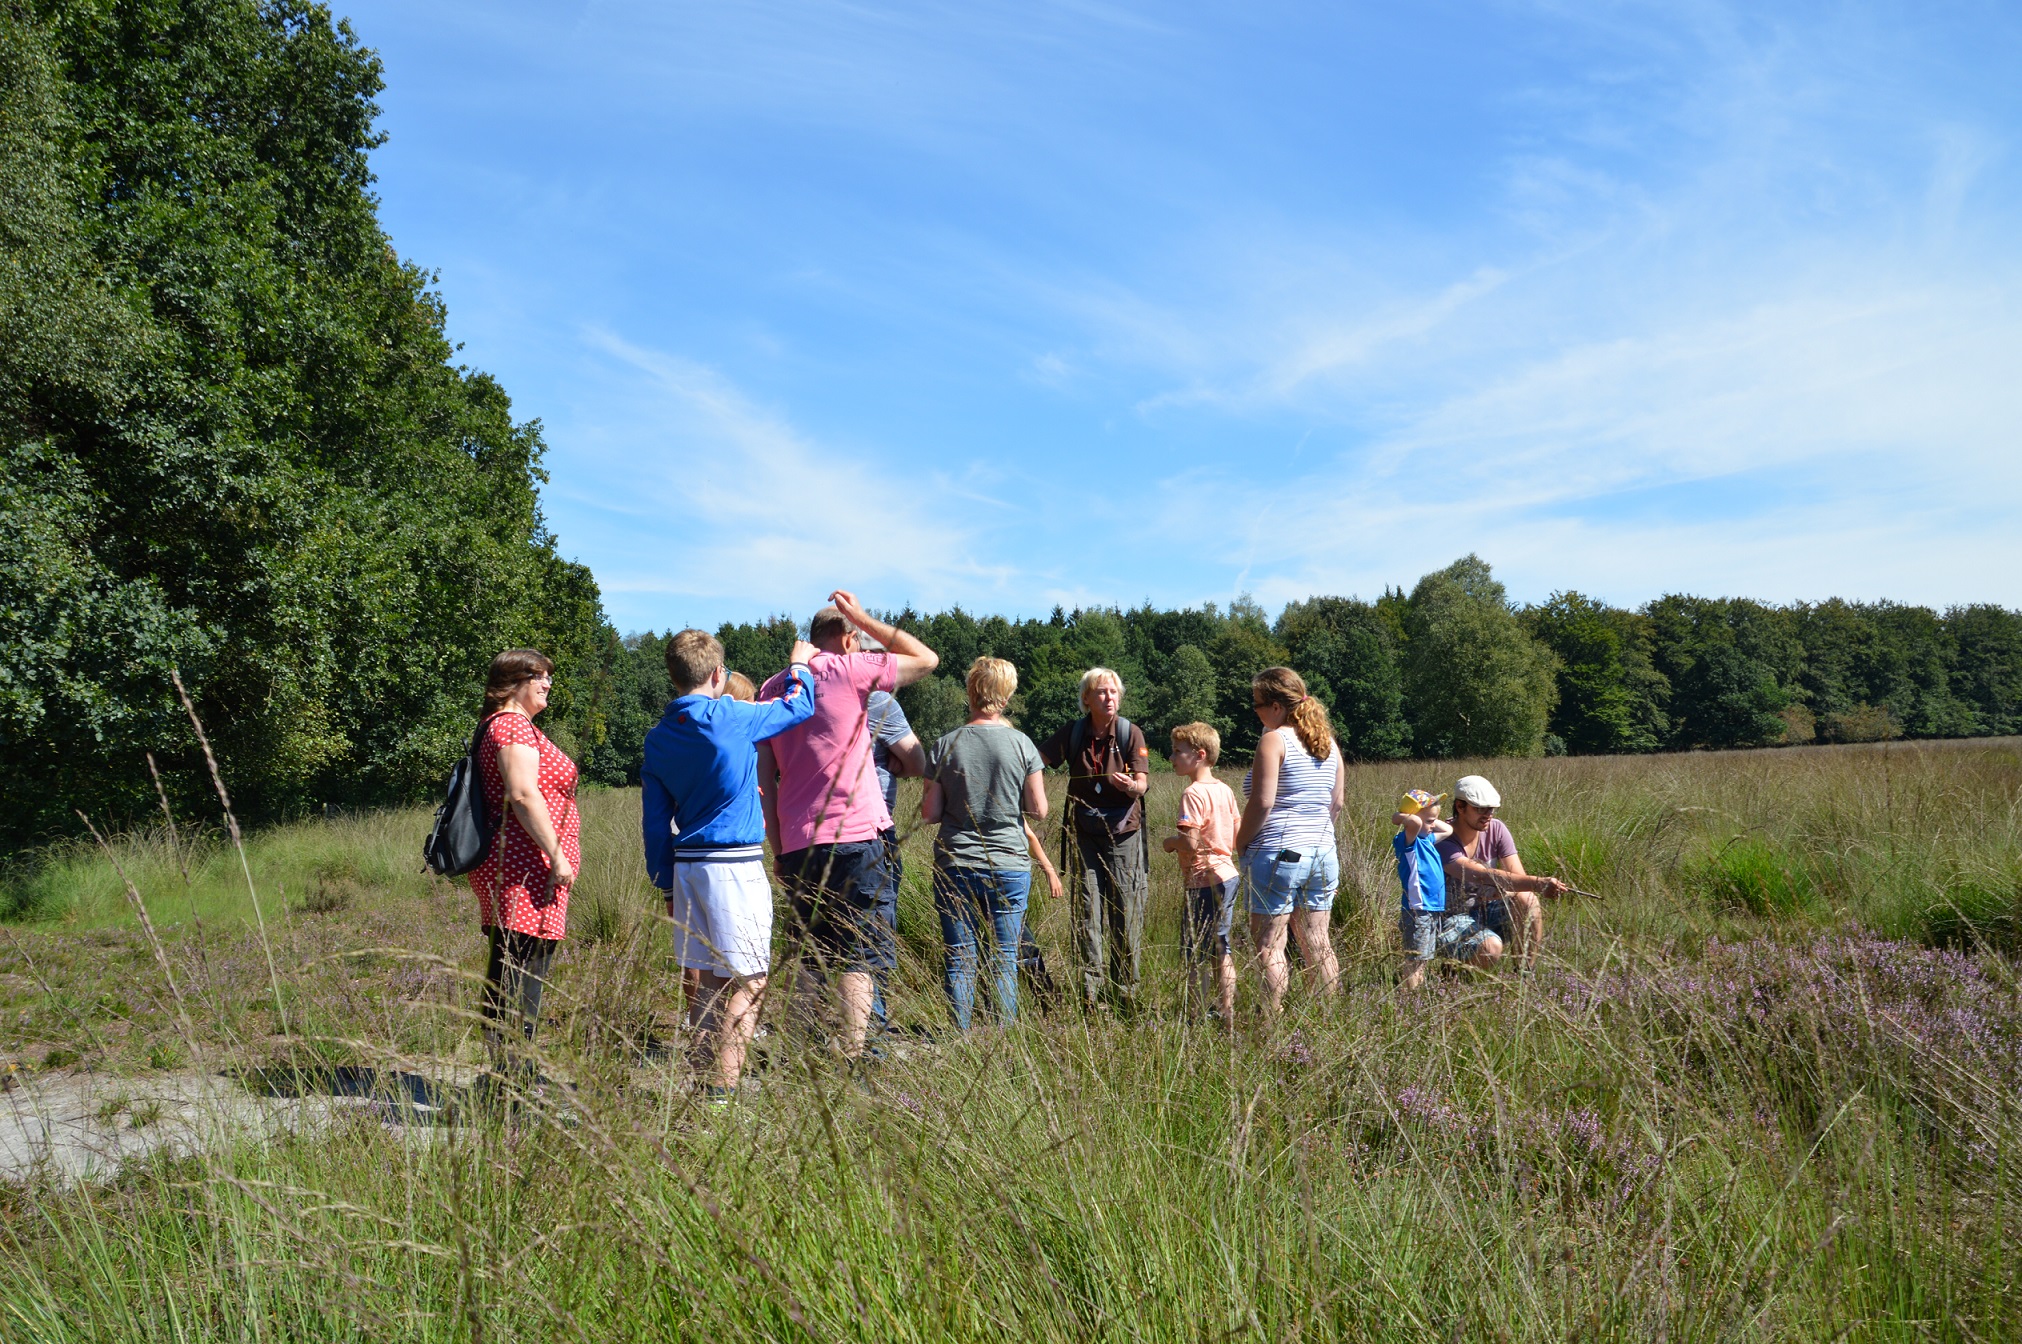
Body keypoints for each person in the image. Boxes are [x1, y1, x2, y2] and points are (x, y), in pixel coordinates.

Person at [756, 591, 939, 1060]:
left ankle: (795, 1057)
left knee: (807, 955)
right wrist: (865, 617)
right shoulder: (849, 670)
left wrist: (778, 849)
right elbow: (926, 658)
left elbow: (766, 784)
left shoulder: (771, 689)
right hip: (857, 838)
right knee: (857, 956)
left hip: (798, 843)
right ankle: (854, 1059)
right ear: (848, 638)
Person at [641, 630, 818, 1100]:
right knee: (749, 980)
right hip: (733, 865)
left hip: (687, 866)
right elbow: (798, 707)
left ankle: (705, 1088)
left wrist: (664, 882)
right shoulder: (733, 715)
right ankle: (723, 1091)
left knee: (708, 984)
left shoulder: (657, 738)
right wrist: (798, 665)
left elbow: (656, 825)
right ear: (719, 674)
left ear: (674, 675)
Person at [921, 658, 1059, 1030]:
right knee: (1004, 959)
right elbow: (1039, 810)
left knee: (960, 958)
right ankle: (1005, 1040)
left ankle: (960, 1039)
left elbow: (929, 814)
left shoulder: (945, 745)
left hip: (956, 861)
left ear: (971, 690)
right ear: (1008, 694)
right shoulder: (1022, 744)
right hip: (1009, 862)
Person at [468, 649, 580, 1091]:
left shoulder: (506, 725)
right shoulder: (512, 725)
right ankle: (514, 1078)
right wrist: (557, 852)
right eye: (538, 676)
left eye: (549, 675)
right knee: (521, 970)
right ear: (512, 682)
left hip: (520, 865)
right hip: (523, 868)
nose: (547, 683)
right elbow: (522, 793)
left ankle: (508, 1073)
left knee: (511, 967)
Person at [1037, 668, 1152, 1012]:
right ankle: (1091, 995)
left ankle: (1126, 994)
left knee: (1126, 911)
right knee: (1087, 910)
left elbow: (1142, 783)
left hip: (1124, 834)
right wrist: (1030, 791)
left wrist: (1130, 786)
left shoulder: (1132, 733)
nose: (1109, 698)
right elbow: (1036, 762)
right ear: (1087, 698)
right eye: (1101, 692)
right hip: (1083, 834)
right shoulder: (1073, 733)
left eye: (1114, 692)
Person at [1233, 667, 1345, 1015]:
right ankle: (1329, 1023)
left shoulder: (1274, 739)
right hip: (1323, 851)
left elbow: (1263, 802)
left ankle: (1270, 1027)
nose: (1256, 714)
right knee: (1318, 943)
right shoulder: (1327, 743)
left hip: (1278, 851)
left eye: (1258, 706)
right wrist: (1316, 836)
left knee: (1269, 946)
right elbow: (1336, 802)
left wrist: (1242, 842)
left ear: (1277, 706)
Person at [1436, 774, 1565, 974]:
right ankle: (1453, 971)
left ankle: (1524, 974)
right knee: (1491, 949)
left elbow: (1517, 877)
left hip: (1487, 909)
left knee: (1528, 900)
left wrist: (1509, 890)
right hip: (1451, 918)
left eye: (1491, 809)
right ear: (1460, 807)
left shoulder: (1496, 829)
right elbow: (1476, 874)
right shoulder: (1442, 839)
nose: (1488, 814)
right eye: (1480, 808)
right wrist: (1539, 883)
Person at [1162, 722, 1241, 1024]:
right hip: (1228, 876)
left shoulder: (1192, 793)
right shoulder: (1225, 790)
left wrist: (1170, 843)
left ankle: (1194, 1014)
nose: (1172, 758)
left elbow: (1189, 843)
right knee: (1222, 947)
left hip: (1203, 880)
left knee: (1194, 951)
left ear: (1200, 754)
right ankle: (1227, 1009)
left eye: (1178, 752)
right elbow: (1235, 835)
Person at [1393, 789, 1503, 991]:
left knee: (1424, 954)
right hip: (1418, 908)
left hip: (1431, 908)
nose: (1433, 825)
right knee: (1417, 958)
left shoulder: (1427, 840)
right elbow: (1416, 824)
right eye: (1429, 821)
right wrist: (1400, 816)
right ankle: (1410, 995)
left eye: (1433, 820)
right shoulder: (1407, 842)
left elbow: (1448, 830)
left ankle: (1416, 990)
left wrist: (1430, 817)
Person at [865, 686, 925, 1034]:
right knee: (874, 935)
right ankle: (872, 1028)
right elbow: (916, 761)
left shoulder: (798, 689)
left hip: (808, 834)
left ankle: (816, 1028)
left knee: (821, 939)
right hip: (872, 831)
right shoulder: (877, 701)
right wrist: (889, 762)